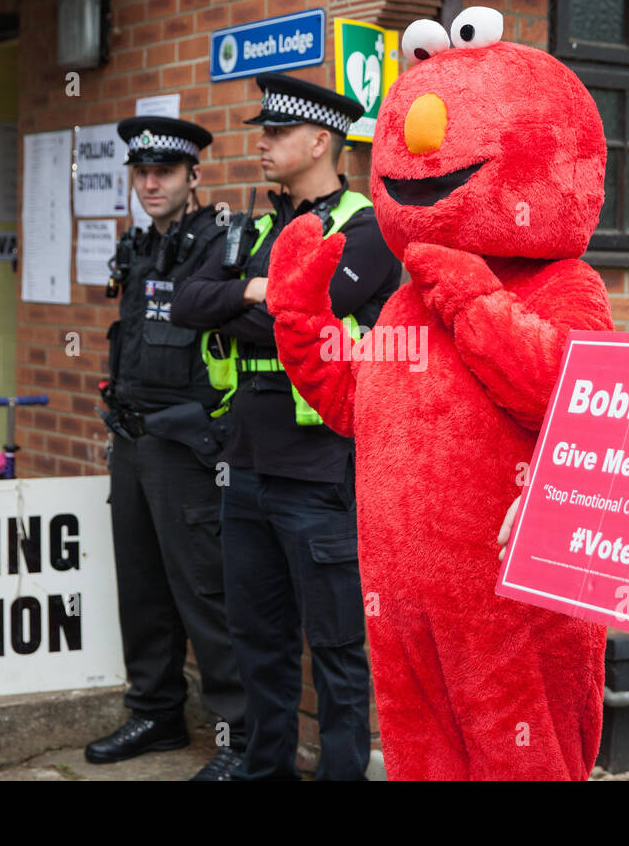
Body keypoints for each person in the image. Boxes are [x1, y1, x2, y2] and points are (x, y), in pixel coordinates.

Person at [171, 73, 401, 780]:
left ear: (320, 141)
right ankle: (264, 769)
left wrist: (257, 308)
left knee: (334, 649)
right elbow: (184, 302)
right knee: (257, 639)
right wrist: (253, 290)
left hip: (321, 471)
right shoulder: (252, 228)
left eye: (275, 133)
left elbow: (310, 312)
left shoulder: (368, 229)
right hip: (244, 467)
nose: (262, 143)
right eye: (262, 131)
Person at [86, 116, 248, 781]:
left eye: (165, 173)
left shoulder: (219, 245)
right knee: (142, 589)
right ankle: (156, 713)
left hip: (188, 449)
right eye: (141, 173)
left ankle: (243, 736)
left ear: (193, 177)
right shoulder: (136, 248)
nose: (150, 183)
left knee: (205, 594)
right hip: (131, 441)